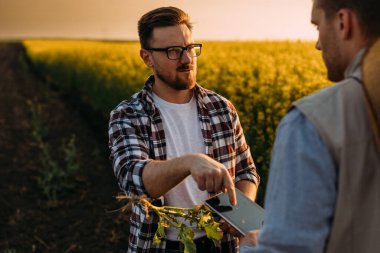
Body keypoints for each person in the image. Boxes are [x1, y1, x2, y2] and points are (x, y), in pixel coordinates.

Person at [108, 6, 260, 253]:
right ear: (147, 57)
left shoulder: (221, 108)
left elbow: (247, 171)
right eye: (173, 52)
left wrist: (238, 211)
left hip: (221, 244)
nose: (187, 60)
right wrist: (190, 162)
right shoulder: (128, 114)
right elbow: (133, 178)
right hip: (160, 246)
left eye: (190, 49)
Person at [239, 0, 380, 252]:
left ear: (343, 23)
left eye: (317, 27)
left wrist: (251, 248)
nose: (317, 44)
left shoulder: (312, 121)